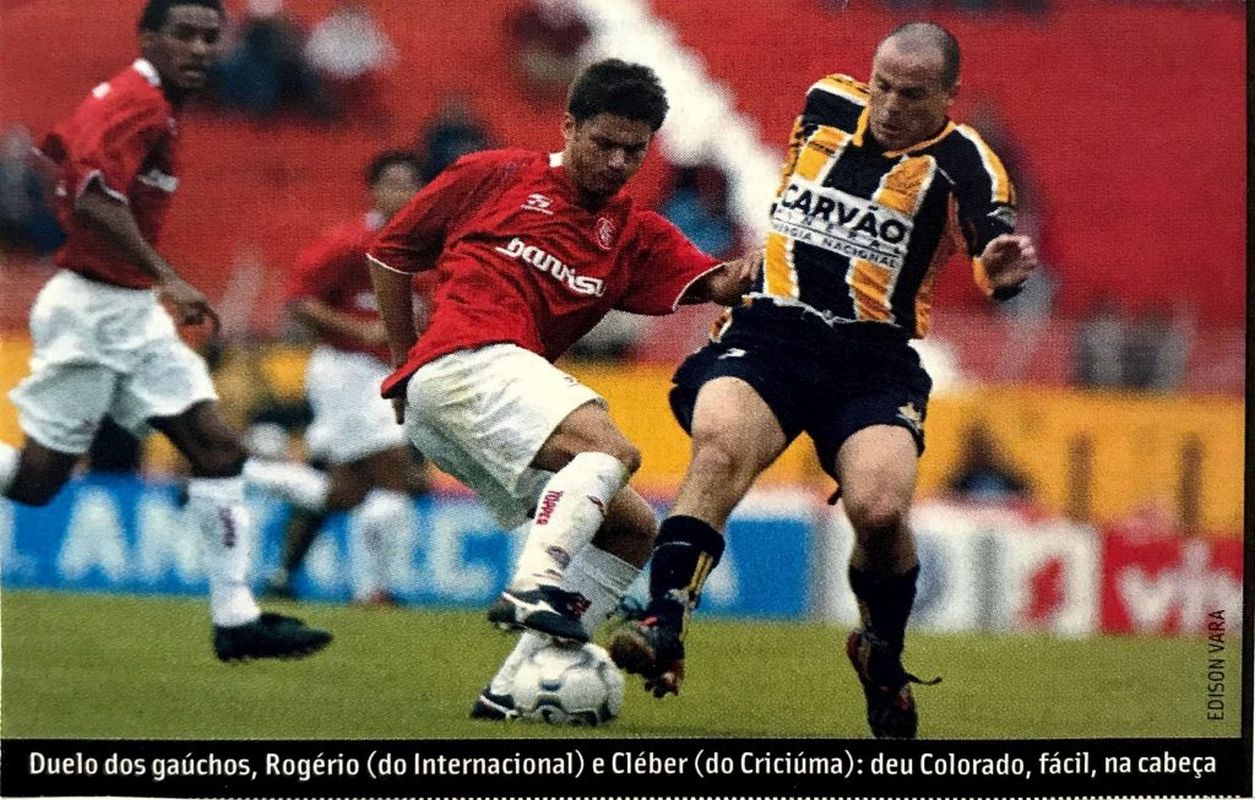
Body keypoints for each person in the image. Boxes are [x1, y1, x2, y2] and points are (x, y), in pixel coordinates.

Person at [609, 22, 1038, 739]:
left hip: (872, 360)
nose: (890, 105)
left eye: (912, 95)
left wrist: (998, 272)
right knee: (720, 446)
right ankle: (663, 621)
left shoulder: (968, 161)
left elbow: (993, 240)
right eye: (883, 86)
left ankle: (879, 652)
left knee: (879, 510)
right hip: (772, 334)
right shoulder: (825, 103)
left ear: (948, 96)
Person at [366, 58, 758, 719]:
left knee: (631, 529)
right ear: (569, 126)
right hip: (461, 365)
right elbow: (390, 253)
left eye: (633, 150)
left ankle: (509, 688)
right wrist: (404, 362)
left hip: (480, 399)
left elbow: (717, 282)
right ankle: (534, 581)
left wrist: (752, 274)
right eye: (603, 143)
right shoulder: (492, 175)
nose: (616, 162)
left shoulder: (634, 235)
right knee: (611, 450)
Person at [0, 0, 331, 662]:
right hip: (93, 310)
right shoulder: (141, 101)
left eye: (211, 37)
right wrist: (168, 277)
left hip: (126, 308)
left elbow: (70, 154)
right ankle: (236, 617)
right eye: (184, 35)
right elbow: (92, 197)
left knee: (218, 450)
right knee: (37, 483)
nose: (201, 49)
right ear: (147, 37)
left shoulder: (146, 102)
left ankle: (236, 620)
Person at [246, 150, 431, 604]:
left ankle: (237, 472)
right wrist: (359, 329)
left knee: (346, 492)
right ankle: (371, 591)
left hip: (387, 374)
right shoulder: (349, 243)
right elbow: (299, 300)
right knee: (399, 477)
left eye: (412, 184)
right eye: (393, 184)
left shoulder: (428, 248)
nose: (403, 194)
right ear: (373, 190)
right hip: (348, 370)